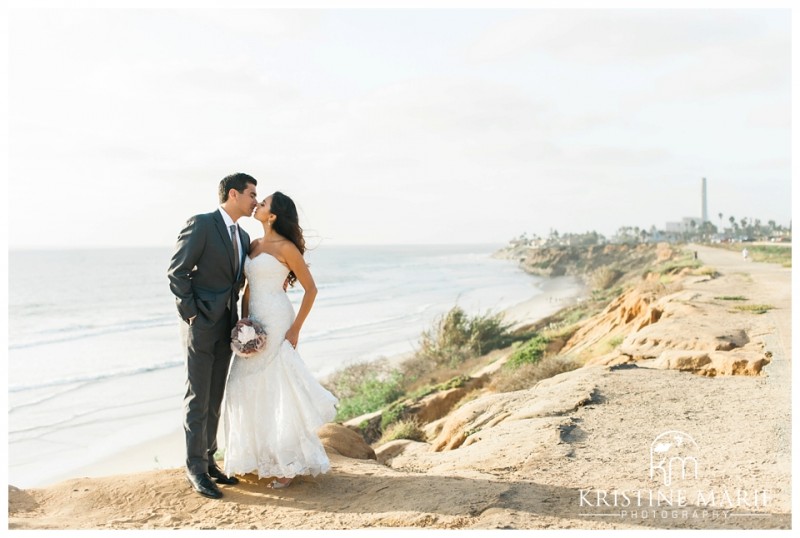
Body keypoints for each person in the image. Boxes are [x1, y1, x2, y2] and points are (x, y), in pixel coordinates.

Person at [222, 191, 338, 489]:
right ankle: (253, 457)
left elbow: (311, 290)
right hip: (254, 321)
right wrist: (243, 325)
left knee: (277, 386)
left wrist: (296, 329)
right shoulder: (254, 243)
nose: (257, 205)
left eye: (263, 204)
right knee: (240, 384)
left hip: (277, 319)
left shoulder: (287, 248)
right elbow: (248, 289)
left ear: (272, 216)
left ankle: (287, 463)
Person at [168, 173, 258, 499]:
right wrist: (191, 314)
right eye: (251, 194)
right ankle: (195, 468)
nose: (255, 200)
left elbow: (239, 282)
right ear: (233, 194)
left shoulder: (245, 236)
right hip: (200, 325)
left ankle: (209, 460)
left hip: (227, 326)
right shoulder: (203, 224)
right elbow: (177, 271)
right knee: (197, 398)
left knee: (215, 396)